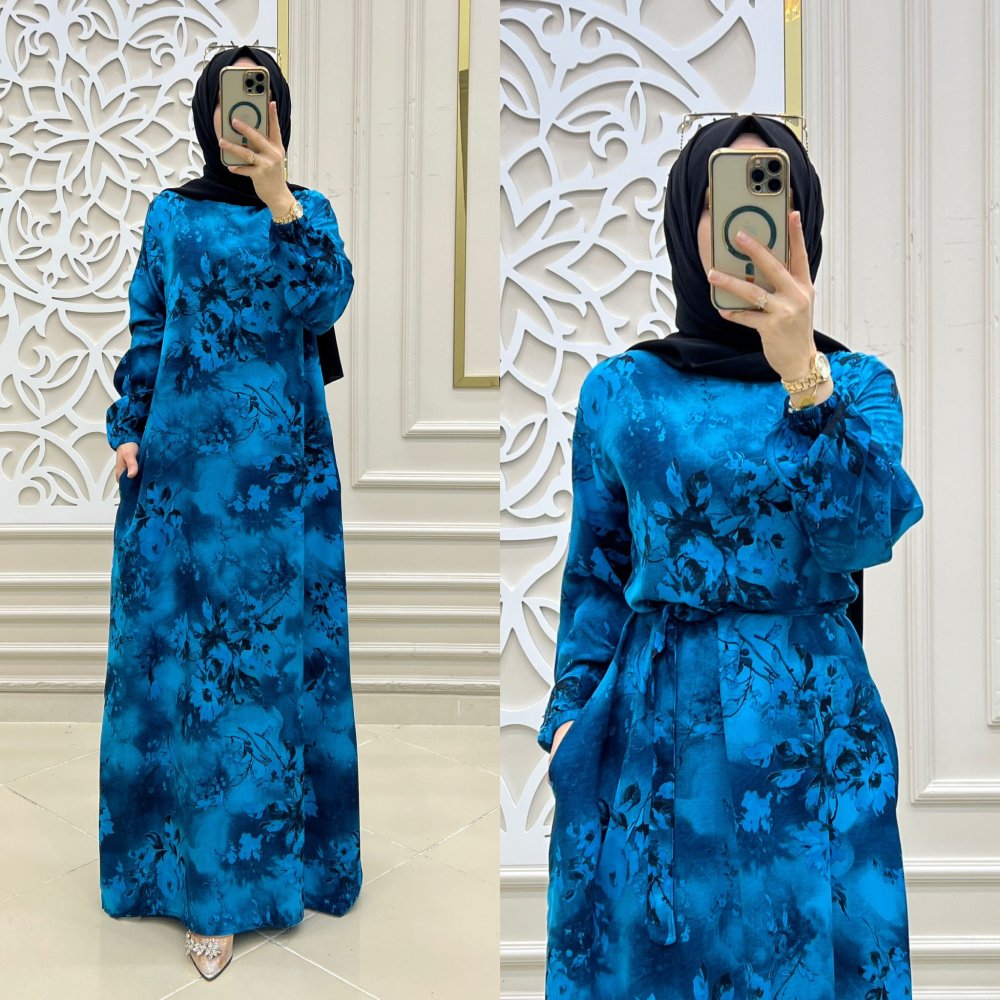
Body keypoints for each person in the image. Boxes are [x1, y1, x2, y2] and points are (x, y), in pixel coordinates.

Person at [537, 113, 923, 999]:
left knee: (810, 954)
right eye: (725, 203)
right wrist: (568, 718)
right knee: (662, 957)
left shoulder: (857, 384)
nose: (750, 231)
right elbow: (597, 571)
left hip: (813, 718)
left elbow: (862, 533)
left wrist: (804, 378)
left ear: (805, 226)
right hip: (654, 714)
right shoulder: (622, 389)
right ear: (688, 222)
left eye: (772, 205)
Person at [99, 44, 359, 981]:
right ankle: (193, 881)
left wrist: (280, 196)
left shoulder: (308, 213)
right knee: (186, 673)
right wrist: (129, 425)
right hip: (180, 479)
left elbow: (325, 301)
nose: (242, 115)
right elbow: (151, 325)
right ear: (207, 113)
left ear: (279, 112)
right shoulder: (171, 214)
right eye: (228, 99)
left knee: (270, 674)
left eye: (259, 98)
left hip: (282, 480)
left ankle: (277, 872)